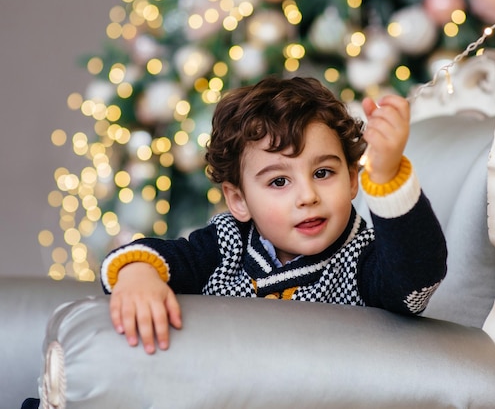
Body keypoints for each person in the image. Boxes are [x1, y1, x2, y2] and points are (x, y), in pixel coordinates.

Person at [100, 76, 447, 354]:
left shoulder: (363, 262)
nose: (307, 196)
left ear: (353, 179)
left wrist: (387, 177)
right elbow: (161, 256)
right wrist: (137, 276)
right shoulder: (226, 245)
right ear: (239, 200)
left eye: (323, 173)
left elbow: (415, 283)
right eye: (279, 181)